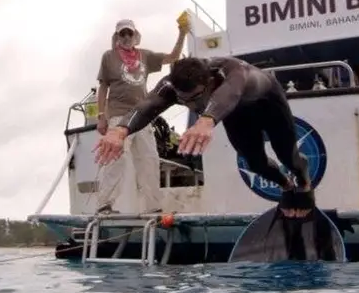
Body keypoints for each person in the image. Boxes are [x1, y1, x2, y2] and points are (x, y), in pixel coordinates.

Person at [94, 55, 315, 219]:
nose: (191, 105)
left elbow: (233, 91)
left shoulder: (232, 71)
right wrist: (121, 130)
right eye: (184, 100)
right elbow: (147, 105)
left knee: (288, 156)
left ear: (209, 82)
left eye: (196, 97)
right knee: (255, 163)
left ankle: (303, 181)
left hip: (268, 103)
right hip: (235, 114)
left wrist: (207, 119)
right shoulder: (172, 85)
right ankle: (286, 186)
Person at [93, 14, 189, 215]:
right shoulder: (108, 57)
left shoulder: (145, 56)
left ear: (135, 35)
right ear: (117, 36)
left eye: (130, 32)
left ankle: (153, 206)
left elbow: (173, 57)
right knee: (116, 158)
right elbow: (103, 87)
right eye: (123, 33)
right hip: (118, 116)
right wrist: (101, 116)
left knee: (149, 159)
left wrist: (182, 34)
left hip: (142, 116)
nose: (126, 36)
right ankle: (104, 205)